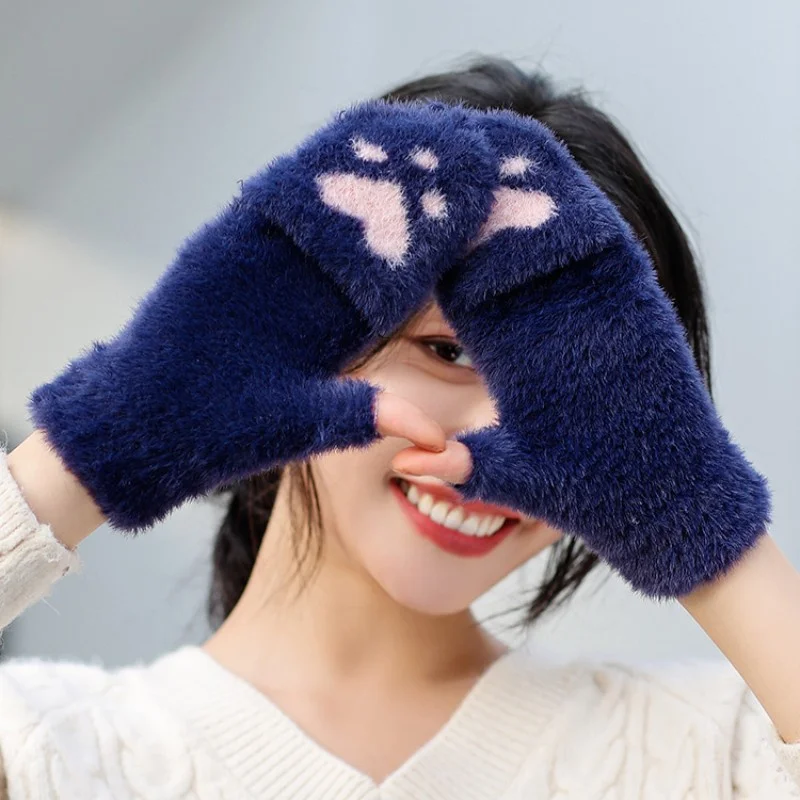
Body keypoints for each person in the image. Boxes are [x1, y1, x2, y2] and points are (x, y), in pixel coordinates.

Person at [0, 55, 798, 799]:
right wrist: (106, 439)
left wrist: (696, 523)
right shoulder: (45, 749)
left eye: (570, 383)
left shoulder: (712, 753)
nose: (497, 428)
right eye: (447, 351)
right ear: (305, 337)